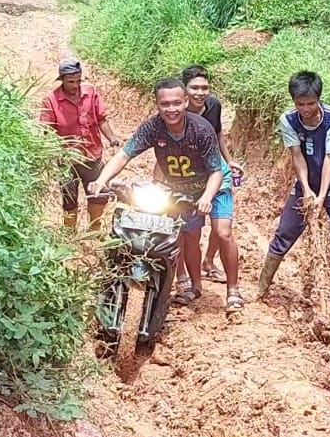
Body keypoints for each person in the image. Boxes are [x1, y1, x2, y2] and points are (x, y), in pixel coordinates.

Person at [88, 78, 243, 311]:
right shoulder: (152, 128)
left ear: (186, 102)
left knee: (223, 232)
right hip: (181, 190)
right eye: (165, 104)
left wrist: (206, 198)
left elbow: (215, 171)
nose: (172, 109)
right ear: (157, 105)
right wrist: (102, 180)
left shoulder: (201, 129)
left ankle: (233, 290)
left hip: (214, 185)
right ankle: (195, 286)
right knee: (189, 236)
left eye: (177, 103)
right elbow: (124, 154)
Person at [257, 71, 330, 296]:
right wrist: (307, 190)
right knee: (285, 233)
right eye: (300, 104)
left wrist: (321, 196)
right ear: (294, 102)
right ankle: (262, 287)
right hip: (304, 187)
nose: (306, 109)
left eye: (311, 103)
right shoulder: (288, 120)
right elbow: (297, 156)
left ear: (319, 99)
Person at [177, 66, 244, 287]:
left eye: (204, 87)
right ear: (184, 90)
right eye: (194, 88)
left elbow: (217, 133)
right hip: (187, 176)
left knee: (221, 228)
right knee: (184, 230)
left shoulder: (213, 105)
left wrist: (228, 159)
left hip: (216, 170)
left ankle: (208, 262)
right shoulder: (175, 111)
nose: (200, 93)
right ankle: (182, 275)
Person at [38, 58, 121, 232]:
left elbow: (101, 119)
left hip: (92, 155)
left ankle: (94, 229)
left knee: (99, 195)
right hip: (67, 161)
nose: (75, 85)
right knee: (69, 198)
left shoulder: (90, 92)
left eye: (78, 81)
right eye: (70, 82)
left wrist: (112, 138)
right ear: (62, 80)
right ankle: (70, 232)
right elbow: (46, 131)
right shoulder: (51, 100)